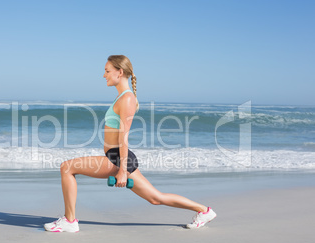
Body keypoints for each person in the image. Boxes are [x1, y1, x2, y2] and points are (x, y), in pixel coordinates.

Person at [44, 55, 216, 232]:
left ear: (119, 72)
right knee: (156, 198)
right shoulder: (122, 97)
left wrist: (122, 170)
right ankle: (204, 211)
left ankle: (70, 221)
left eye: (107, 71)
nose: (104, 75)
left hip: (118, 158)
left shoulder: (127, 99)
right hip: (116, 157)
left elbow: (124, 137)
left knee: (67, 167)